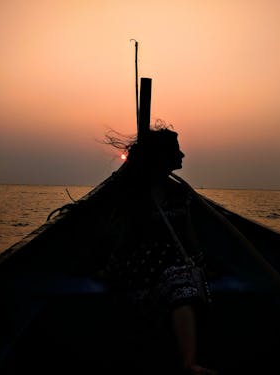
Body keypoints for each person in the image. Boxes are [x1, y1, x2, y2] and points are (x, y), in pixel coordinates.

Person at [102, 126, 217, 375]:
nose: (183, 155)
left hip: (171, 259)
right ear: (162, 157)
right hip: (138, 263)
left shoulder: (180, 192)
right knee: (178, 281)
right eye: (177, 150)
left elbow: (188, 235)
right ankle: (189, 362)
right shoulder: (132, 192)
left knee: (187, 278)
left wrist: (200, 262)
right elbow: (120, 236)